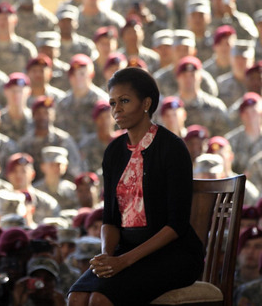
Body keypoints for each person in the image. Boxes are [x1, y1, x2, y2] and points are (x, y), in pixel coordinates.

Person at [68, 67, 204, 305]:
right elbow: (110, 219)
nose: (116, 109)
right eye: (112, 103)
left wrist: (124, 261)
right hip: (125, 251)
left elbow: (176, 226)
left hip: (174, 255)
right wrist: (107, 257)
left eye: (124, 101)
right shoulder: (113, 152)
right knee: (77, 297)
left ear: (146, 103)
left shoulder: (172, 148)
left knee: (99, 299)